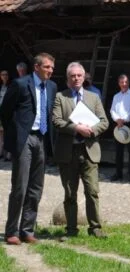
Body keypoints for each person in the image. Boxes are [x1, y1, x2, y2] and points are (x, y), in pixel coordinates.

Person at [0, 53, 57, 245]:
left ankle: (27, 230)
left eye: (52, 67)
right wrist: (16, 133)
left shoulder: (52, 86)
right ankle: (12, 231)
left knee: (36, 187)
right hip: (24, 138)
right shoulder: (20, 84)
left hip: (42, 138)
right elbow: (5, 111)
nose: (50, 70)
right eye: (47, 67)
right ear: (36, 67)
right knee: (20, 186)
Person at [52, 62, 109, 239]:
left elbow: (104, 121)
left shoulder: (94, 97)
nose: (76, 78)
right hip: (68, 152)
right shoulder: (61, 97)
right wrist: (76, 128)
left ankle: (95, 228)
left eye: (79, 75)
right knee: (70, 193)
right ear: (68, 78)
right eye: (72, 76)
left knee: (92, 191)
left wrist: (91, 130)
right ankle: (71, 229)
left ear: (84, 77)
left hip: (89, 150)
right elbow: (56, 121)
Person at [109, 74, 130, 182]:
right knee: (118, 151)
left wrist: (124, 119)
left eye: (126, 82)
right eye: (122, 82)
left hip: (129, 124)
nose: (124, 84)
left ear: (128, 83)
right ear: (119, 83)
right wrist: (117, 120)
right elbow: (112, 110)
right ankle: (118, 173)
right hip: (118, 125)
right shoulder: (116, 96)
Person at [0, 70, 10, 160]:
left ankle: (8, 154)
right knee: (1, 133)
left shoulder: (11, 86)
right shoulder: (0, 87)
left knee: (7, 133)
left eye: (6, 74)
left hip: (8, 112)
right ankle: (1, 153)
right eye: (3, 75)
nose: (4, 76)